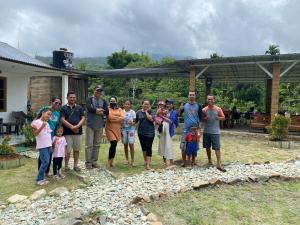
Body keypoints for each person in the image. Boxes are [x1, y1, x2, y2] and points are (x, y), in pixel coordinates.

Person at [37, 97, 62, 177]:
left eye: (59, 103)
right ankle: (40, 172)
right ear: (51, 102)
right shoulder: (45, 110)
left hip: (52, 136)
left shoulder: (57, 114)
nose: (57, 104)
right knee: (42, 155)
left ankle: (46, 172)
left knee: (49, 154)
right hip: (44, 136)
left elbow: (57, 125)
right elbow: (37, 119)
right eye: (56, 102)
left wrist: (57, 137)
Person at [60, 91, 85, 172]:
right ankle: (66, 166)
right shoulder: (63, 108)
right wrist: (72, 127)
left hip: (78, 132)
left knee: (76, 149)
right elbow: (62, 119)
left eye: (74, 97)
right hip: (67, 133)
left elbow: (83, 118)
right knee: (67, 150)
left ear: (76, 98)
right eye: (70, 97)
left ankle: (75, 165)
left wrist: (77, 126)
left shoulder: (79, 108)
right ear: (67, 98)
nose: (72, 99)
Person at [85, 85, 109, 169]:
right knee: (89, 145)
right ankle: (88, 163)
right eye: (97, 90)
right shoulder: (89, 99)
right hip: (90, 125)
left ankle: (94, 161)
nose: (98, 92)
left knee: (97, 144)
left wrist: (99, 111)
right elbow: (89, 108)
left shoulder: (104, 101)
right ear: (94, 91)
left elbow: (107, 111)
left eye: (100, 91)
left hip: (99, 125)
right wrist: (97, 110)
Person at [202, 94, 226, 172]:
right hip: (206, 131)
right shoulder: (204, 110)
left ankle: (219, 163)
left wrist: (218, 118)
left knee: (217, 147)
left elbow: (223, 117)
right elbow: (202, 119)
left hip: (215, 132)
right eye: (208, 99)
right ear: (207, 100)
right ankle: (209, 161)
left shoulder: (218, 109)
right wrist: (205, 118)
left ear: (214, 100)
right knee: (207, 147)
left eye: (211, 99)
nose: (210, 101)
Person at [178, 91, 202, 167]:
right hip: (186, 128)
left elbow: (201, 117)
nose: (191, 96)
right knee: (183, 145)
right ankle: (184, 162)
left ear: (195, 96)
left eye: (193, 95)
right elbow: (178, 114)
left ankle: (192, 162)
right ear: (188, 96)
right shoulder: (185, 105)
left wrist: (199, 128)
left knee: (194, 145)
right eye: (190, 95)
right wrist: (180, 108)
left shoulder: (198, 105)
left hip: (195, 129)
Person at [31, 108, 52, 185]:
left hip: (48, 146)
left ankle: (42, 178)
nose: (49, 116)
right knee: (45, 162)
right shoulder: (36, 122)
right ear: (43, 112)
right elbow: (35, 134)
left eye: (50, 115)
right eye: (48, 114)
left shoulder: (47, 123)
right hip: (42, 146)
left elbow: (48, 135)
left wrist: (51, 146)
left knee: (46, 162)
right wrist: (42, 126)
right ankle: (39, 179)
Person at [157, 99, 178, 166]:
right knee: (162, 144)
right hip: (162, 130)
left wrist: (162, 116)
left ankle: (171, 161)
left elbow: (171, 121)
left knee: (168, 145)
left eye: (170, 104)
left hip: (169, 130)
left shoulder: (174, 112)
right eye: (167, 104)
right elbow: (158, 118)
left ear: (172, 105)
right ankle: (164, 161)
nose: (168, 105)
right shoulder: (164, 111)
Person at [105, 96, 124, 167]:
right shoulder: (107, 109)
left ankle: (112, 160)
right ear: (109, 102)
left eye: (114, 101)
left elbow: (122, 118)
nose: (112, 102)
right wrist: (117, 118)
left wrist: (113, 119)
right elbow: (109, 118)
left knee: (114, 145)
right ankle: (109, 161)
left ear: (116, 101)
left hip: (117, 129)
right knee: (113, 143)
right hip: (109, 129)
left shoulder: (120, 109)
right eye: (111, 101)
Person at [136, 100, 155, 170]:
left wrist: (146, 111)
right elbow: (136, 121)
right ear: (142, 104)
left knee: (148, 147)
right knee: (143, 148)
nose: (146, 106)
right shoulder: (138, 112)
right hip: (141, 132)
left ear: (149, 105)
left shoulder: (152, 112)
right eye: (145, 104)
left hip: (150, 133)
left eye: (147, 104)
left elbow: (151, 119)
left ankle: (148, 164)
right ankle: (145, 161)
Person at [121, 99, 136, 166]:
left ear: (130, 105)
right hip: (124, 129)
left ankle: (132, 161)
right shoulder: (121, 112)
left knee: (131, 144)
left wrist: (132, 122)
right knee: (125, 144)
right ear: (123, 104)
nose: (127, 105)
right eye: (126, 104)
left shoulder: (133, 112)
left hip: (131, 130)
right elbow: (119, 121)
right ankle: (127, 159)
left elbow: (135, 122)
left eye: (128, 104)